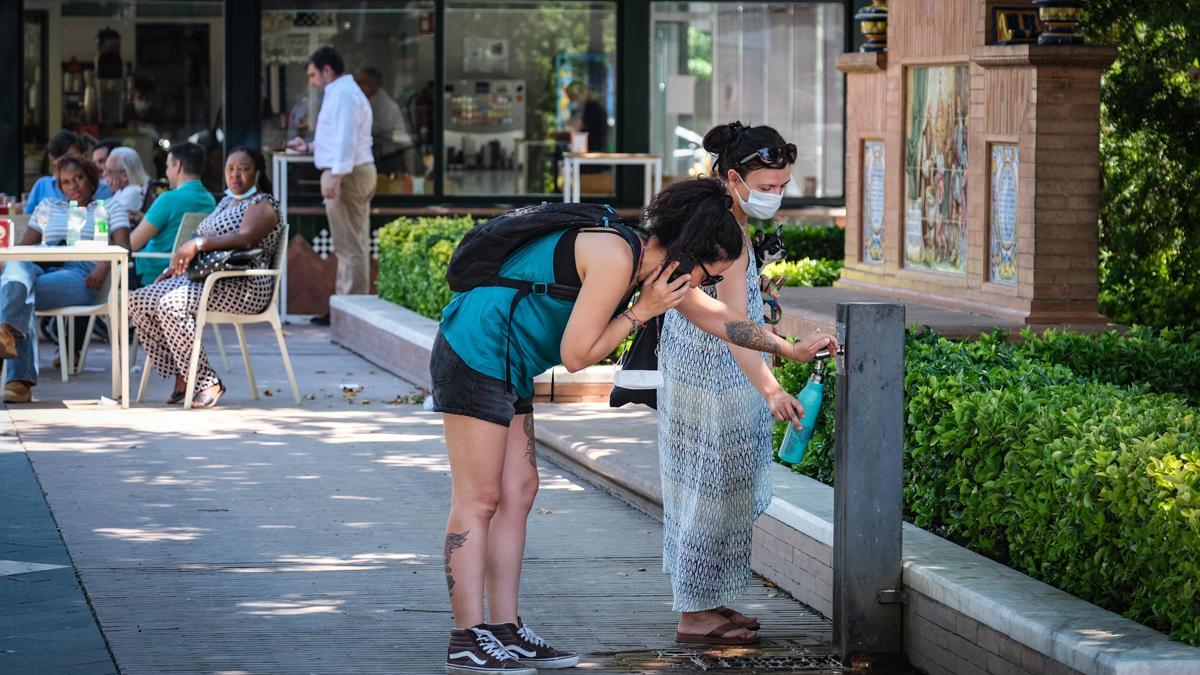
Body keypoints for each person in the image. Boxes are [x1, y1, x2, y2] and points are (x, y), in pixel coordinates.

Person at [433, 178, 836, 674]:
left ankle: (504, 630)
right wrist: (641, 313)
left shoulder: (653, 265)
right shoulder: (614, 257)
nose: (704, 286)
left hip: (507, 359)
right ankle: (468, 638)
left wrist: (790, 349)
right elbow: (577, 356)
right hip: (474, 352)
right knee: (480, 498)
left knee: (520, 490)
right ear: (689, 253)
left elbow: (720, 319)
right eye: (709, 274)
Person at [658, 121, 804, 646]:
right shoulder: (724, 227)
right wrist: (772, 385)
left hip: (704, 370)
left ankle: (710, 600)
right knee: (709, 491)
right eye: (768, 186)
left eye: (783, 186)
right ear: (735, 176)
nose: (776, 195)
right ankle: (695, 615)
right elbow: (730, 325)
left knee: (713, 489)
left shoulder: (722, 217)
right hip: (713, 374)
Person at [129, 146, 281, 409]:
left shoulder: (262, 204)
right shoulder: (224, 201)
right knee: (139, 300)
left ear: (257, 173)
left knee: (170, 305)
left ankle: (206, 381)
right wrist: (175, 267)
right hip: (209, 279)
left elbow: (245, 238)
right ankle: (184, 372)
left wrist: (198, 244)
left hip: (244, 283)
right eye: (230, 169)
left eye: (243, 169)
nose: (235, 175)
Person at [0, 156, 131, 403]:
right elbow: (23, 249)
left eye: (79, 178)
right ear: (59, 186)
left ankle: (18, 375)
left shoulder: (110, 206)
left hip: (83, 275)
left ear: (91, 178)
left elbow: (125, 246)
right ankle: (9, 340)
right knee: (17, 275)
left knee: (17, 294)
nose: (74, 186)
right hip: (41, 265)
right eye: (66, 182)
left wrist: (103, 265)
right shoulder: (48, 205)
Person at [286, 46, 375, 326]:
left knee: (349, 246)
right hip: (349, 171)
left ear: (327, 71)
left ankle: (349, 313)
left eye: (313, 75)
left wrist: (336, 175)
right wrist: (310, 146)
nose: (311, 82)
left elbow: (347, 139)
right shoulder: (341, 93)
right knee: (349, 244)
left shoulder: (345, 94)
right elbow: (338, 139)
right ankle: (345, 308)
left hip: (349, 175)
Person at [128, 142, 216, 289]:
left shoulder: (168, 199)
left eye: (168, 166)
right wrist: (145, 217)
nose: (166, 172)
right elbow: (177, 224)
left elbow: (132, 244)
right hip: (187, 272)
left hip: (152, 273)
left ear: (178, 166)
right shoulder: (210, 200)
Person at [24, 130, 113, 214]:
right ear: (54, 159)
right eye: (64, 157)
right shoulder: (42, 185)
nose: (69, 162)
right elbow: (28, 217)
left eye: (74, 156)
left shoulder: (103, 189)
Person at [355, 66, 415, 175]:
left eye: (360, 83)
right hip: (386, 155)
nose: (357, 87)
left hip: (391, 157)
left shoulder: (380, 103)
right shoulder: (371, 101)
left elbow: (372, 127)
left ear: (371, 84)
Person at [102, 146, 151, 217]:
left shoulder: (133, 191)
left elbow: (106, 217)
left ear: (125, 175)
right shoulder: (122, 190)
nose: (104, 174)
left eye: (109, 171)